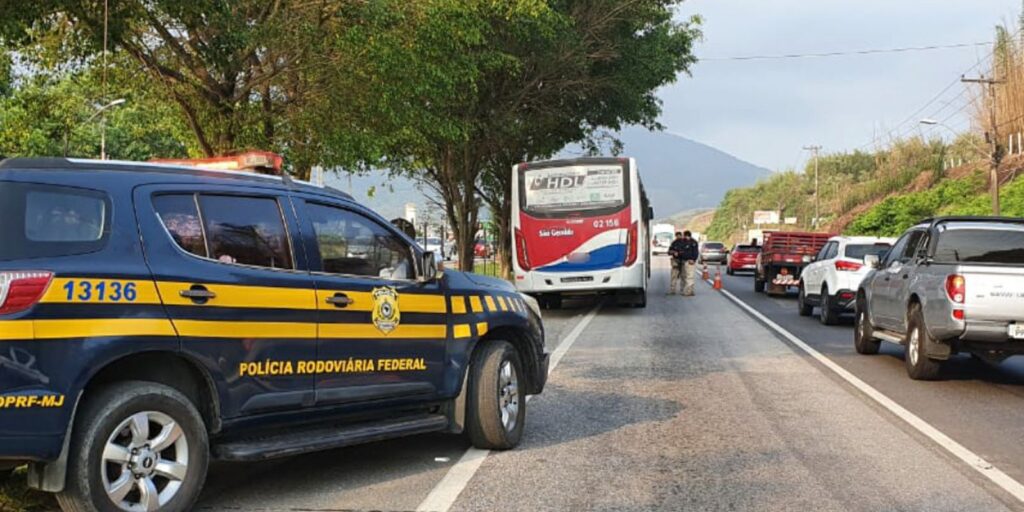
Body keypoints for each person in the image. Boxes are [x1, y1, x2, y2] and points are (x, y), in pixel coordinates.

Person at [674, 230, 699, 296]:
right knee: (684, 277)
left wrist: (693, 259)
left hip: (689, 262)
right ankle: (687, 290)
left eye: (684, 236)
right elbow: (680, 250)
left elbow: (695, 252)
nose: (684, 237)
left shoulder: (693, 242)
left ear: (686, 235)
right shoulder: (684, 242)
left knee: (689, 277)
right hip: (683, 262)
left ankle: (689, 291)